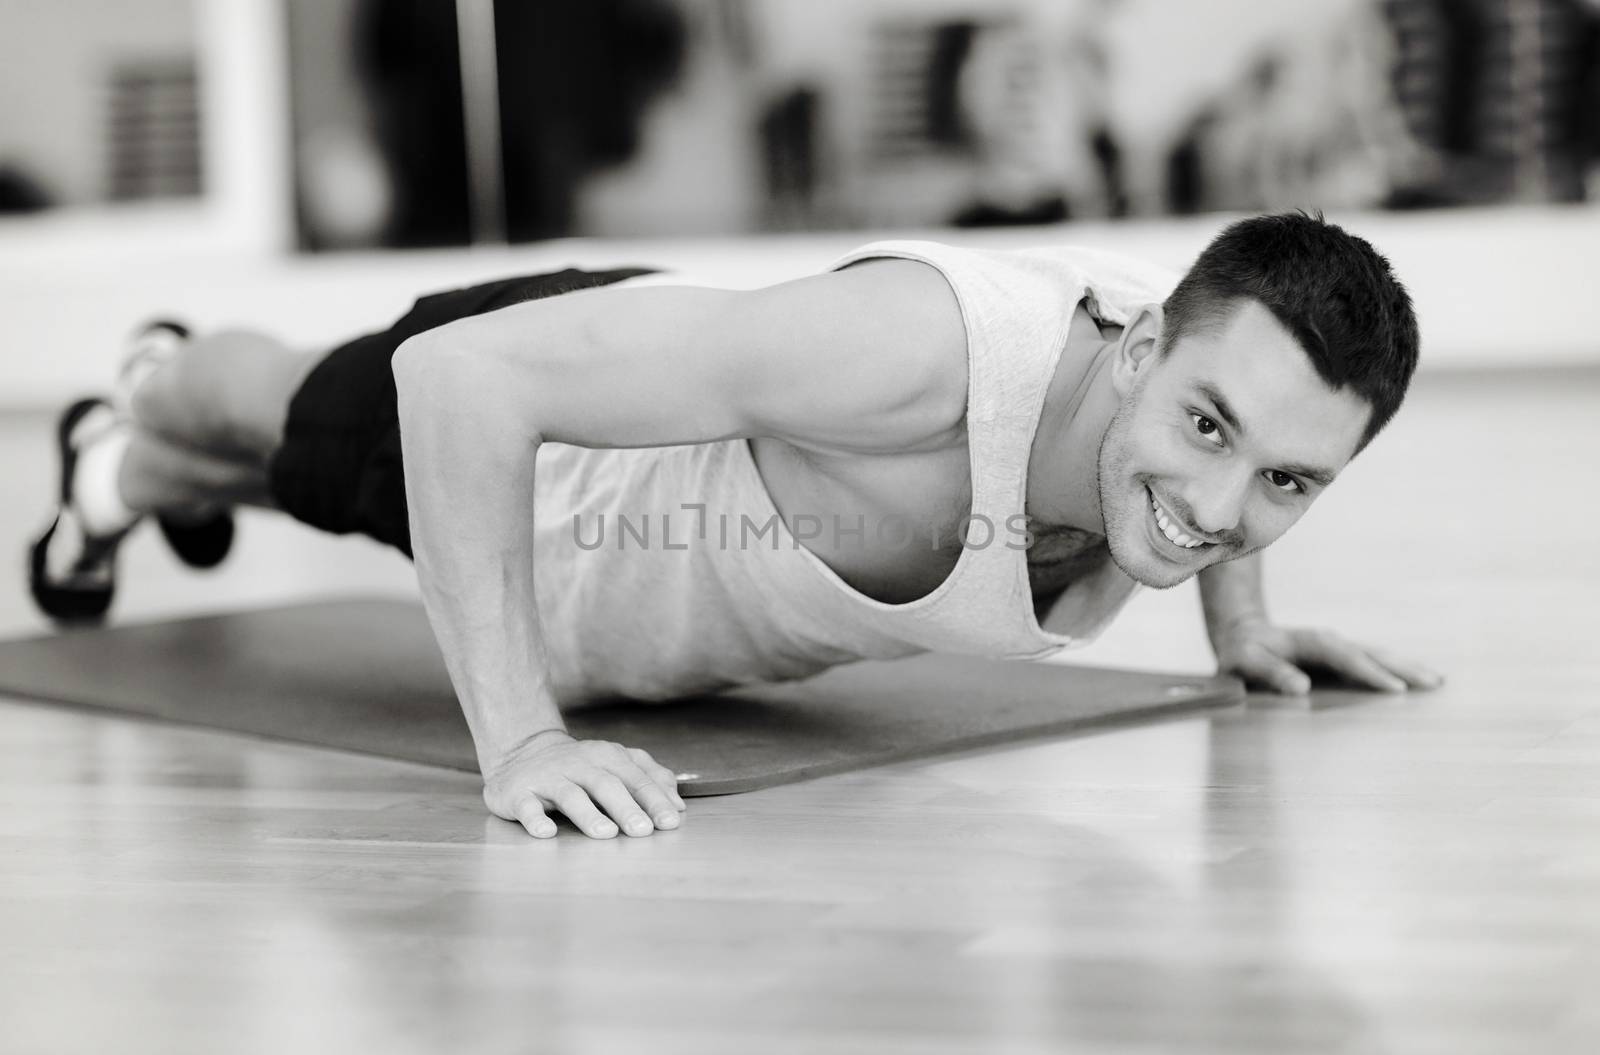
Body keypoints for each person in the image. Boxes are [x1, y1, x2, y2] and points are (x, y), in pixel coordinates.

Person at [28, 210, 1442, 841]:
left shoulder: (1201, 366)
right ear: (1137, 355)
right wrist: (521, 743)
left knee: (263, 475)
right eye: (1207, 432)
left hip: (631, 588)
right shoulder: (920, 355)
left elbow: (1256, 430)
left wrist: (1245, 626)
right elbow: (457, 384)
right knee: (287, 419)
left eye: (1287, 485)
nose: (1216, 509)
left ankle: (122, 475)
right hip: (558, 473)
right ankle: (155, 386)